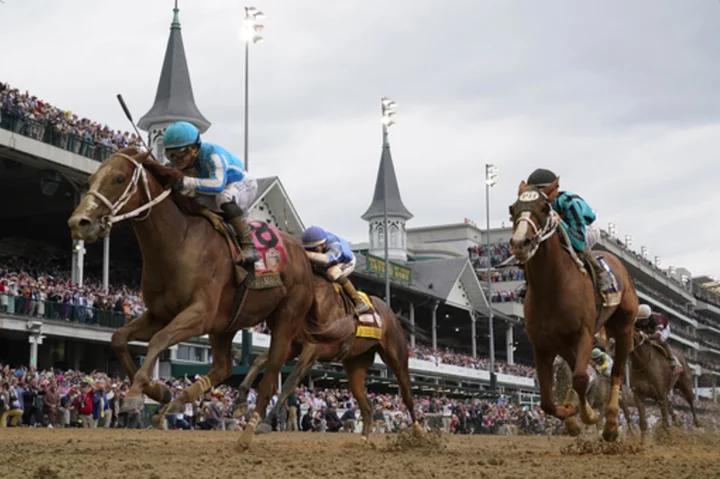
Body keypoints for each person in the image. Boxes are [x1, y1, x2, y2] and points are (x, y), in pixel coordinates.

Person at [162, 121, 259, 265]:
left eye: (181, 153)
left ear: (194, 148)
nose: (176, 160)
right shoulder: (178, 162)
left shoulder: (213, 155)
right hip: (213, 187)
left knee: (223, 197)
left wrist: (186, 181)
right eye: (171, 155)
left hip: (241, 184)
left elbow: (217, 185)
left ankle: (248, 246)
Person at [517, 168, 612, 301]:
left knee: (574, 245)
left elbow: (578, 241)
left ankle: (600, 273)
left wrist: (560, 221)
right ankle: (530, 282)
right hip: (561, 223)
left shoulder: (569, 202)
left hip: (586, 227)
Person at [301, 226, 369, 315]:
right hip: (328, 261)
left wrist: (305, 253)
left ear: (323, 245)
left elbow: (326, 260)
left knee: (332, 272)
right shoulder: (318, 244)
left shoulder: (335, 245)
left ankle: (358, 301)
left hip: (345, 261)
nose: (312, 251)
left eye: (315, 249)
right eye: (308, 249)